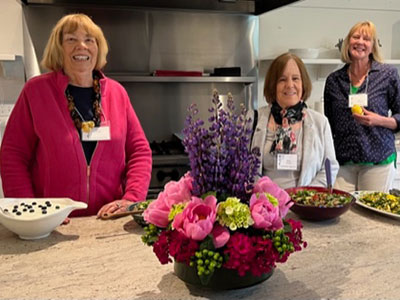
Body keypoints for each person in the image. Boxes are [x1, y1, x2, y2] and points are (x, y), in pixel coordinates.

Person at [0, 13, 152, 218]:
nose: (82, 45)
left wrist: (131, 200)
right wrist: (32, 213)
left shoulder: (117, 93)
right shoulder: (36, 91)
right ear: (58, 48)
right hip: (50, 225)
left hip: (107, 223)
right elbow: (13, 155)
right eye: (71, 39)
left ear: (98, 48)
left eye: (89, 39)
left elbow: (140, 151)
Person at [324, 21, 400, 192]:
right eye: (356, 37)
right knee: (341, 213)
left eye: (366, 39)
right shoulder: (334, 81)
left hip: (377, 160)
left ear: (373, 47)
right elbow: (328, 125)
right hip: (343, 161)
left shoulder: (388, 75)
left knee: (370, 216)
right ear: (348, 42)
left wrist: (379, 120)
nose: (360, 42)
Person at [250, 52, 339, 189]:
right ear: (273, 85)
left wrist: (305, 196)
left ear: (303, 84)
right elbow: (242, 169)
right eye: (282, 79)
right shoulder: (253, 120)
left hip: (304, 207)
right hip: (264, 206)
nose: (290, 85)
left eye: (295, 78)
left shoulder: (320, 123)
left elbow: (329, 169)